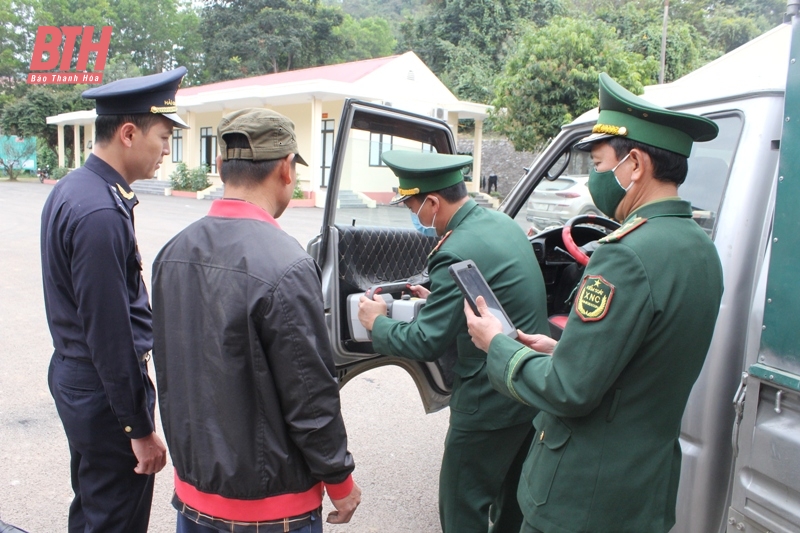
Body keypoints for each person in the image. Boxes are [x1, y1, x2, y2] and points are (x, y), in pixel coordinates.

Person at [464, 73, 724, 533]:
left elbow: (570, 390)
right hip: (643, 493)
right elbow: (642, 363)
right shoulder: (699, 248)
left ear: (636, 164)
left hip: (581, 499)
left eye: (601, 165)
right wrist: (560, 348)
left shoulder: (624, 255)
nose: (596, 179)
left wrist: (497, 345)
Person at [151, 108, 361, 533]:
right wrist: (340, 479)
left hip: (193, 496)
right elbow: (309, 395)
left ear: (220, 166)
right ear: (286, 169)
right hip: (272, 508)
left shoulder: (171, 254)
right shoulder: (286, 263)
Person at [357, 150, 549, 533]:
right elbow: (495, 298)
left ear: (431, 201)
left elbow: (425, 341)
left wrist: (376, 324)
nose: (415, 216)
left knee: (462, 506)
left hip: (487, 401)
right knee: (512, 504)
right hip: (526, 389)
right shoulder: (501, 224)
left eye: (412, 205)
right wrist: (442, 302)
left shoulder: (456, 247)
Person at [41, 67, 188, 532]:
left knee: (93, 505)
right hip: (104, 392)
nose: (166, 150)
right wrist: (139, 431)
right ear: (129, 133)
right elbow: (110, 334)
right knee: (114, 518)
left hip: (78, 377)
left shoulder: (75, 188)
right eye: (163, 137)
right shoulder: (100, 210)